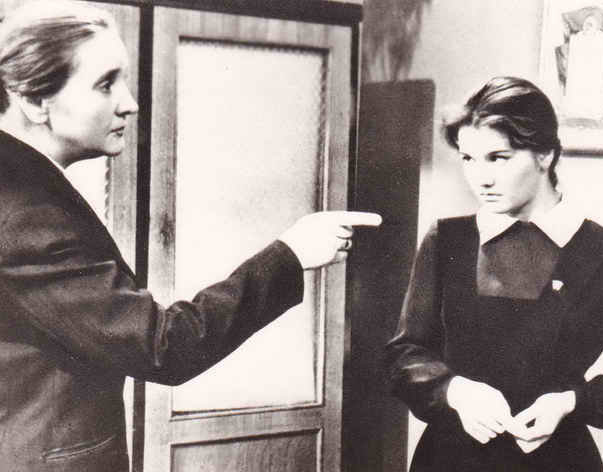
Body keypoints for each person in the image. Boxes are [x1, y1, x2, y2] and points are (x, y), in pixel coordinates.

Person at [0, 2, 381, 471]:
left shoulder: (25, 188)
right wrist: (291, 254)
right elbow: (164, 346)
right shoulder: (27, 215)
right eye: (105, 84)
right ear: (35, 101)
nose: (129, 102)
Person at [385, 76, 603, 471]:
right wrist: (455, 390)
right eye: (468, 159)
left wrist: (569, 402)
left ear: (545, 155)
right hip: (449, 460)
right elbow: (404, 356)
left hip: (559, 462)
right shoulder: (447, 240)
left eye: (498, 157)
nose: (481, 178)